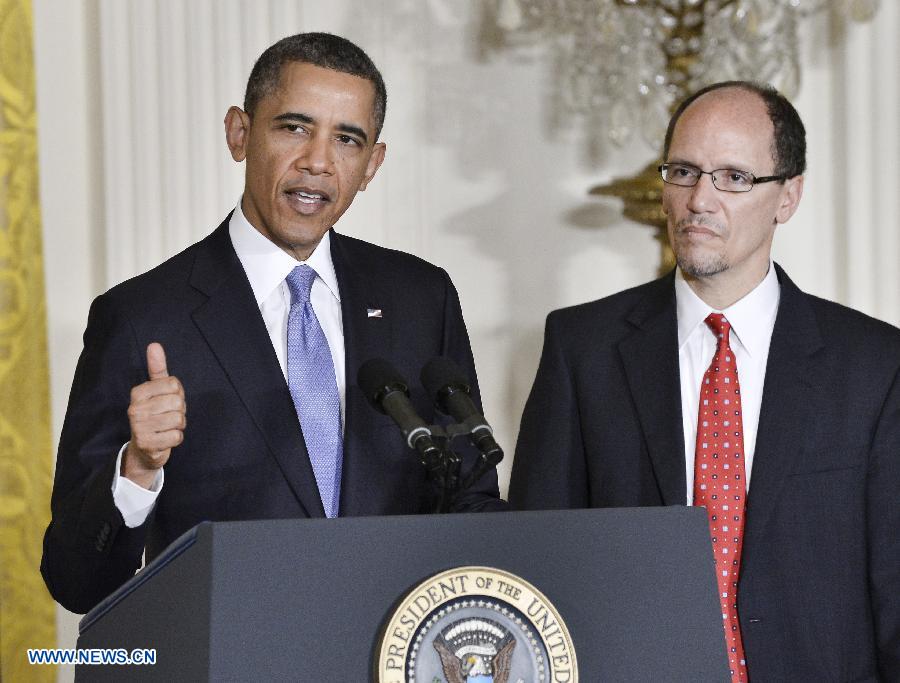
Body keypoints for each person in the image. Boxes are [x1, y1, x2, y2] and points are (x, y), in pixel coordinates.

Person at [42, 32, 502, 615]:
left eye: (347, 139)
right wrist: (136, 472)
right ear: (240, 133)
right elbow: (76, 581)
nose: (318, 161)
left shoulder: (420, 297)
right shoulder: (141, 317)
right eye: (294, 127)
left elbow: (470, 503)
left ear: (371, 165)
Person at [509, 81, 899, 681]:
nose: (700, 200)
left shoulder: (875, 364)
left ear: (788, 196)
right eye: (684, 172)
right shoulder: (581, 349)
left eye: (734, 177)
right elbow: (540, 565)